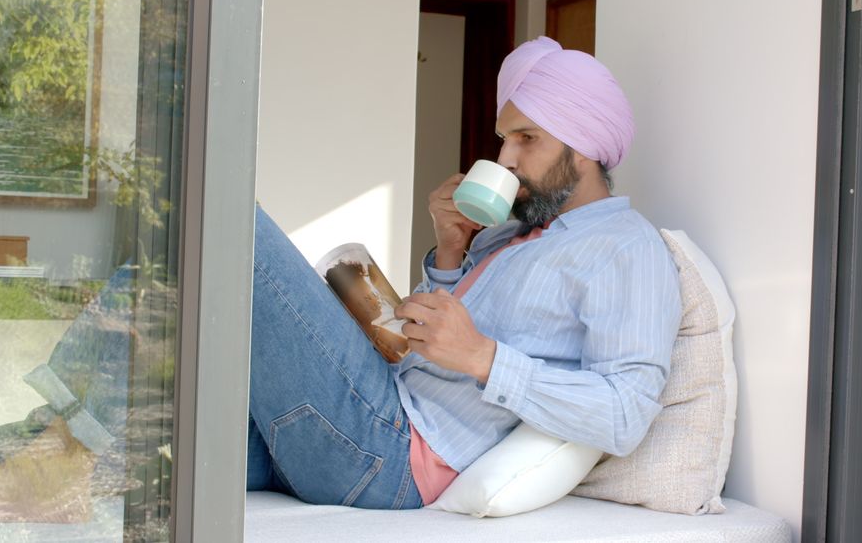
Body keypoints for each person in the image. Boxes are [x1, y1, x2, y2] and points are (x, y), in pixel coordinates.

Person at [245, 36, 681, 510]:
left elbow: (626, 412)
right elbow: (421, 349)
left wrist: (484, 358)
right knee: (171, 440)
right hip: (376, 408)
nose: (505, 161)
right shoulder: (505, 233)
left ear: (584, 146)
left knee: (238, 221)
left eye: (526, 138)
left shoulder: (627, 247)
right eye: (504, 139)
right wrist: (451, 252)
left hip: (389, 453)